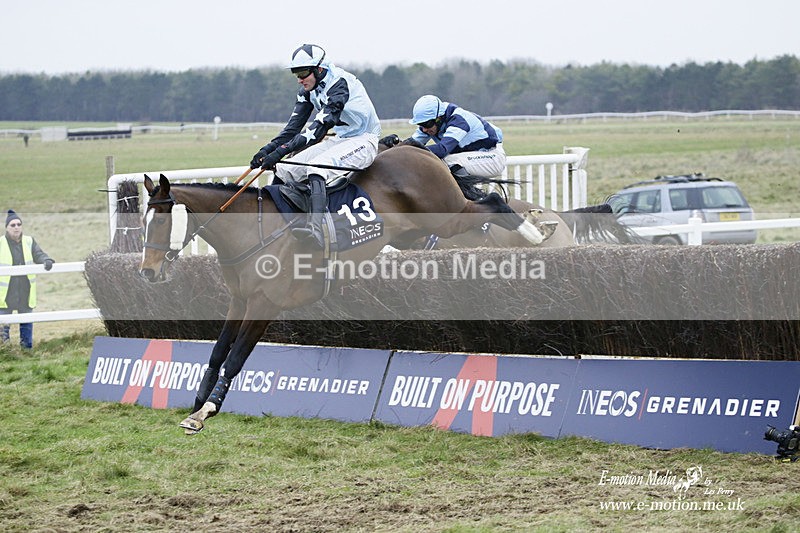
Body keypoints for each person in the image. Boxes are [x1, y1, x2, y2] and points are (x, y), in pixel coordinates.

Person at [250, 44, 381, 248]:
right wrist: (267, 150)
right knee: (286, 169)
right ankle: (276, 222)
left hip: (364, 139)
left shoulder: (339, 84)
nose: (300, 79)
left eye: (303, 73)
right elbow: (292, 130)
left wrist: (279, 152)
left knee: (317, 167)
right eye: (296, 73)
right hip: (341, 139)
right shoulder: (307, 90)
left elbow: (317, 130)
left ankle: (315, 229)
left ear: (319, 69)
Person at [408, 94, 506, 180]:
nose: (424, 129)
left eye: (426, 124)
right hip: (472, 156)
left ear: (439, 118)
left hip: (492, 157)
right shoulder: (431, 124)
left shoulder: (458, 120)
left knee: (447, 161)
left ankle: (474, 196)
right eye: (421, 124)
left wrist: (412, 151)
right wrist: (395, 143)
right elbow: (410, 144)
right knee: (445, 161)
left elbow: (442, 150)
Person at [0, 210, 54, 349]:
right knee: (2, 330)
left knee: (27, 327)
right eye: (13, 225)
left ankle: (26, 353)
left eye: (19, 224)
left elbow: (39, 254)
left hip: (25, 292)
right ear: (7, 227)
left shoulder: (29, 241)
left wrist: (46, 260)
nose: (16, 227)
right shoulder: (1, 243)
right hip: (5, 295)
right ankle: (5, 353)